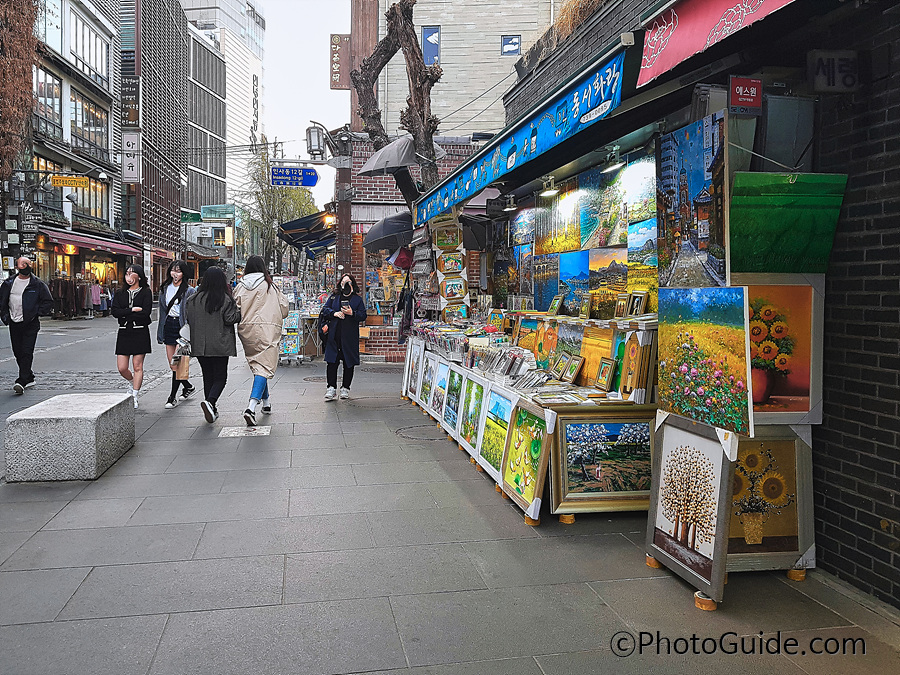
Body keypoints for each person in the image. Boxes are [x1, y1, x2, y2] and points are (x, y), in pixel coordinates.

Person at [234, 255, 289, 426]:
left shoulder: (240, 287)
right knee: (264, 366)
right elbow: (284, 308)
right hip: (268, 329)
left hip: (247, 330)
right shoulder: (270, 286)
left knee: (258, 365)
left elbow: (235, 308)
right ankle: (251, 407)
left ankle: (266, 403)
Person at [183, 267, 240, 423]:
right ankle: (211, 402)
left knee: (208, 376)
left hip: (200, 345)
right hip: (220, 344)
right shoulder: (225, 299)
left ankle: (211, 408)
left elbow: (188, 319)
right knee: (220, 377)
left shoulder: (193, 300)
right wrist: (238, 312)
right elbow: (230, 319)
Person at [0, 257, 53, 394]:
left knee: (27, 351)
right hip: (14, 322)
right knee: (17, 351)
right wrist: (5, 317)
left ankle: (22, 380)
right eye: (23, 264)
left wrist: (36, 314)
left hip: (30, 323)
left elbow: (48, 301)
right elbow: (2, 301)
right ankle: (28, 376)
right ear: (17, 266)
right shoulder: (9, 283)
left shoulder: (37, 284)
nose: (26, 266)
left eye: (28, 264)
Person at [111, 265, 153, 408]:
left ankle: (134, 395)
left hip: (140, 331)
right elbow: (115, 312)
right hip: (124, 332)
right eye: (127, 274)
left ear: (139, 276)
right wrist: (131, 310)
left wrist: (125, 313)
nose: (129, 277)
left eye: (132, 274)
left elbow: (145, 313)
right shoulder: (120, 293)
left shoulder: (146, 292)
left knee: (137, 366)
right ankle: (131, 382)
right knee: (122, 367)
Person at [156, 259, 196, 408]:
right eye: (173, 270)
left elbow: (192, 312)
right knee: (173, 365)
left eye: (179, 271)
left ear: (184, 273)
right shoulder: (165, 288)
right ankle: (188, 386)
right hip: (168, 325)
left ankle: (172, 397)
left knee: (179, 363)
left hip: (182, 328)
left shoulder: (189, 290)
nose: (175, 274)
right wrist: (160, 331)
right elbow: (162, 311)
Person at [321, 273, 366, 401]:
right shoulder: (334, 297)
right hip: (334, 337)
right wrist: (334, 313)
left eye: (348, 282)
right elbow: (324, 310)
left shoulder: (357, 300)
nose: (345, 285)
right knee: (331, 363)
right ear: (340, 284)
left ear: (352, 284)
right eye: (343, 282)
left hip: (349, 337)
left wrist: (352, 313)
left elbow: (363, 315)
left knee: (348, 363)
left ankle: (345, 388)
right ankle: (331, 388)